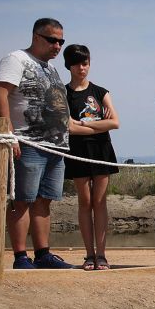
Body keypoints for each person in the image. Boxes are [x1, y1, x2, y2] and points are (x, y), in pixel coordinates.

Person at [0, 18, 72, 269]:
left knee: (44, 199)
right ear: (37, 37)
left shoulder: (51, 69)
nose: (58, 46)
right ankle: (20, 257)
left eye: (61, 41)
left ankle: (43, 254)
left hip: (55, 145)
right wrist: (10, 134)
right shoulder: (15, 59)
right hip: (27, 142)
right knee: (22, 199)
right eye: (52, 40)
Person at [62, 44, 120, 271]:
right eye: (77, 63)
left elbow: (115, 122)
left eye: (85, 63)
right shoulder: (63, 93)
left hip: (101, 150)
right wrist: (98, 125)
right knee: (85, 202)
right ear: (69, 65)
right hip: (77, 151)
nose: (82, 68)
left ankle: (102, 255)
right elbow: (68, 128)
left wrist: (84, 124)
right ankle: (89, 254)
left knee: (100, 202)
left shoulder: (101, 92)